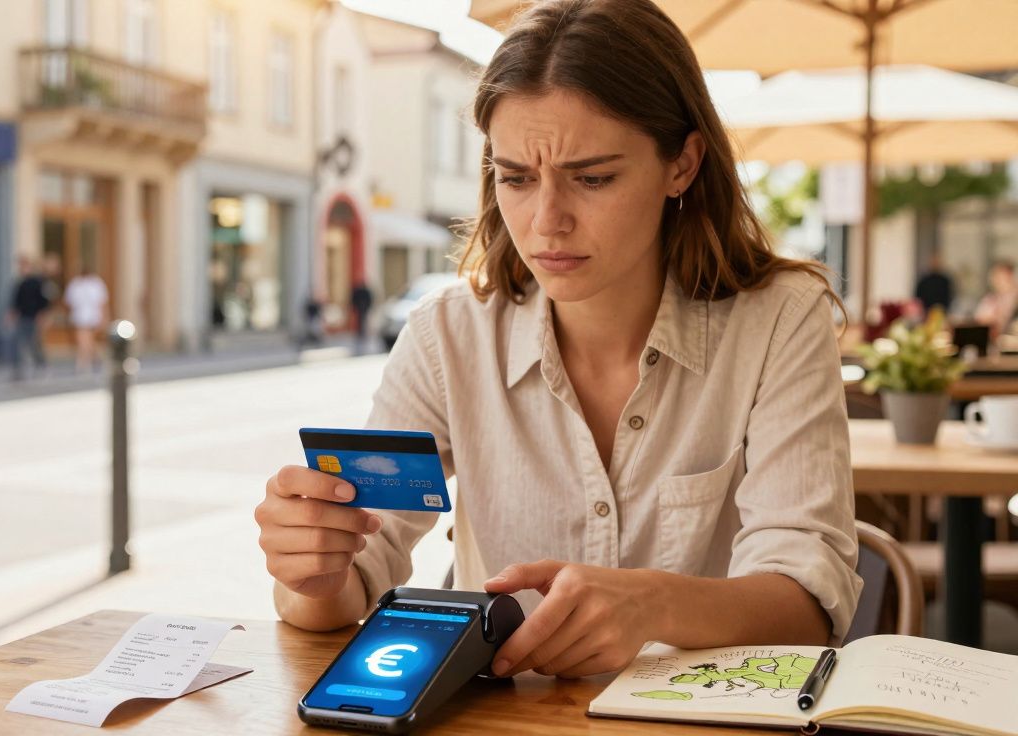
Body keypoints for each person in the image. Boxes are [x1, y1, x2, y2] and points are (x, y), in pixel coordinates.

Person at [254, 0, 860, 681]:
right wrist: (311, 570)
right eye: (514, 177)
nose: (546, 222)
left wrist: (651, 603)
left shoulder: (779, 321)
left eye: (593, 178)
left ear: (683, 165)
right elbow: (350, 584)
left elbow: (808, 604)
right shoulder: (448, 335)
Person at [8, 254, 50, 381]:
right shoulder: (19, 282)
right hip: (22, 317)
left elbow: (43, 301)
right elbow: (16, 301)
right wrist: (12, 314)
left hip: (33, 317)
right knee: (18, 343)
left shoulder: (36, 282)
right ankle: (19, 371)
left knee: (34, 344)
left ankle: (41, 366)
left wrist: (42, 316)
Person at [64, 265, 110, 374]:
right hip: (81, 316)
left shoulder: (96, 284)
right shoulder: (75, 284)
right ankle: (87, 361)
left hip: (92, 316)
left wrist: (105, 317)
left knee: (86, 340)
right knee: (85, 339)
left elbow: (102, 302)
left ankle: (85, 361)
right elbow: (69, 302)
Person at [974, 260, 1018, 341]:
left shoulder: (1015, 300)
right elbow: (979, 324)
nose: (998, 281)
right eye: (996, 277)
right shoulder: (989, 300)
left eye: (1002, 277)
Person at [349, 281, 373, 349]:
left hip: (363, 308)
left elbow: (369, 299)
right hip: (361, 308)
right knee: (360, 320)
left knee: (363, 320)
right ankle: (361, 332)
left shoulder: (362, 291)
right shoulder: (360, 291)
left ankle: (363, 332)